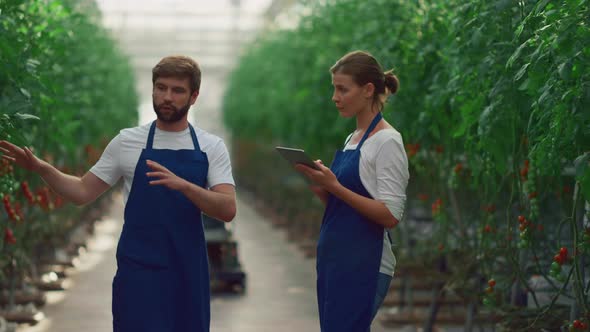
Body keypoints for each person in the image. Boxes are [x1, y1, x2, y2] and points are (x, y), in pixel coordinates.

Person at [0, 55, 236, 332]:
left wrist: (184, 185)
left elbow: (227, 208)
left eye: (177, 90)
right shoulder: (128, 141)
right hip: (138, 270)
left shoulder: (211, 146)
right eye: (160, 88)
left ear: (194, 96)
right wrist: (41, 168)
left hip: (187, 270)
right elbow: (81, 191)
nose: (166, 97)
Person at [295, 50, 409, 332]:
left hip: (364, 265)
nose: (335, 97)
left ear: (368, 90)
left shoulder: (388, 141)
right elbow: (342, 205)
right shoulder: (352, 139)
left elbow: (391, 214)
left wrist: (334, 186)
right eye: (335, 88)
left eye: (342, 89)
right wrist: (320, 185)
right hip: (336, 261)